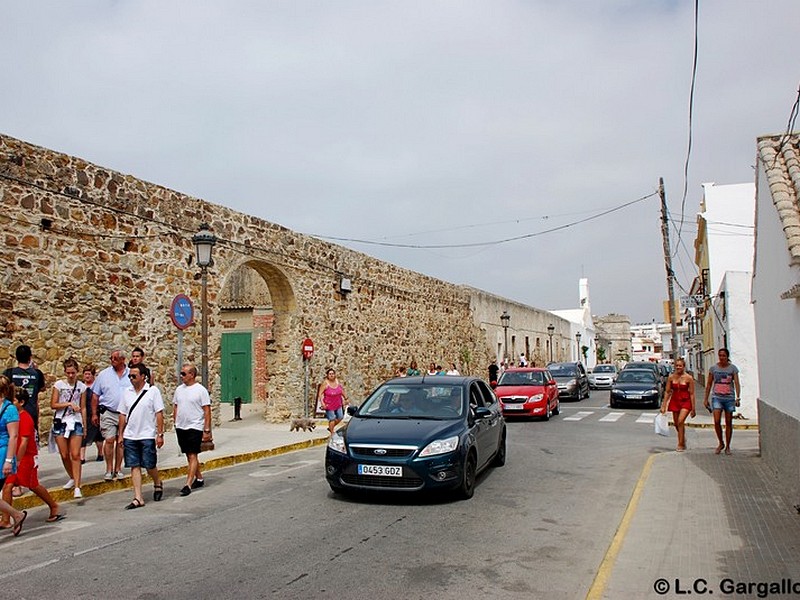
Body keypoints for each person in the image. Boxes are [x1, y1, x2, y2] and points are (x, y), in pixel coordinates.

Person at [1, 388, 62, 526]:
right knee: (7, 486)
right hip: (15, 457)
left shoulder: (26, 418)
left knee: (33, 484)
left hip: (25, 457)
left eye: (13, 400)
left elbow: (23, 442)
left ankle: (53, 506)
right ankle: (6, 519)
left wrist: (17, 460)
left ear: (21, 402)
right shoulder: (12, 416)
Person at [118, 363, 164, 509]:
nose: (131, 378)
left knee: (149, 465)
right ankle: (138, 497)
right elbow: (122, 414)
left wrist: (160, 434)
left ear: (143, 376)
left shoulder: (152, 391)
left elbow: (159, 413)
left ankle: (157, 481)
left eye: (134, 376)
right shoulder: (127, 392)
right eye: (129, 376)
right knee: (134, 465)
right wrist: (120, 434)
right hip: (130, 435)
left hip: (146, 434)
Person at [172, 364, 211, 497]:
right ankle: (199, 478)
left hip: (195, 426)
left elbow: (206, 410)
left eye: (184, 374)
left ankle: (188, 484)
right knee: (189, 455)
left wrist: (206, 429)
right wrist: (175, 421)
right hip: (181, 426)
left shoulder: (201, 390)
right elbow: (176, 406)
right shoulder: (179, 390)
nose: (181, 376)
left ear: (191, 375)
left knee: (193, 454)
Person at [50, 357, 87, 498]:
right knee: (64, 454)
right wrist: (68, 404)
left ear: (77, 372)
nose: (71, 376)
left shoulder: (81, 387)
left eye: (73, 373)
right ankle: (72, 476)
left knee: (75, 454)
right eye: (68, 373)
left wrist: (84, 425)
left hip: (76, 421)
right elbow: (53, 404)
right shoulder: (59, 385)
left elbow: (83, 407)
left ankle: (77, 485)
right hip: (61, 421)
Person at [92, 348, 130, 481]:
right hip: (108, 411)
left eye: (115, 358)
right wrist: (94, 414)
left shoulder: (131, 374)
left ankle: (118, 468)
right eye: (111, 358)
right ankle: (109, 468)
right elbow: (95, 395)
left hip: (124, 414)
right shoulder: (103, 375)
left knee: (121, 442)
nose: (112, 361)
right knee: (109, 440)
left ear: (122, 360)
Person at [0, 376, 27, 536]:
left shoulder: (9, 409)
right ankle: (17, 515)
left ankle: (16, 515)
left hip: (3, 454)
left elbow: (14, 436)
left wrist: (9, 461)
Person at [703, 348, 741, 455]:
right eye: (720, 355)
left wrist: (738, 397)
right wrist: (706, 399)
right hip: (717, 398)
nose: (722, 357)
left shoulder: (733, 369)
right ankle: (721, 442)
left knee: (728, 422)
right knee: (716, 421)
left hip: (729, 398)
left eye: (724, 355)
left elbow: (737, 383)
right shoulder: (713, 369)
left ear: (727, 356)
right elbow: (709, 384)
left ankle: (728, 446)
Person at [3, 344, 46, 432]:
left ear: (16, 357)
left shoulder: (8, 373)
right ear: (30, 358)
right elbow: (42, 388)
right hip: (31, 412)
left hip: (11, 412)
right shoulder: (37, 373)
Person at [660, 357, 696, 452]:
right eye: (676, 366)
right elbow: (667, 392)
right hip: (675, 400)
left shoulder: (689, 378)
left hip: (685, 401)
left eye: (680, 366)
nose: (678, 367)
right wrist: (664, 405)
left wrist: (693, 408)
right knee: (676, 423)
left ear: (684, 366)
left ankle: (680, 443)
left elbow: (692, 393)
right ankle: (682, 439)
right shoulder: (671, 377)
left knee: (680, 421)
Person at [80, 364, 104, 464]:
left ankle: (100, 453)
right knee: (83, 435)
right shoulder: (81, 387)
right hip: (85, 413)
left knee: (98, 435)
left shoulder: (97, 386)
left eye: (89, 374)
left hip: (96, 412)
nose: (87, 376)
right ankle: (82, 457)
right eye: (85, 374)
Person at [318, 367, 348, 435]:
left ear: (335, 375)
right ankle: (332, 432)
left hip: (338, 403)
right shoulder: (325, 383)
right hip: (329, 404)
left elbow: (341, 390)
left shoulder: (337, 382)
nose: (331, 375)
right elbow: (320, 394)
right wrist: (322, 403)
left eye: (333, 374)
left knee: (340, 416)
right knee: (332, 418)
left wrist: (346, 398)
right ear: (327, 375)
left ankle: (331, 427)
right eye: (330, 374)